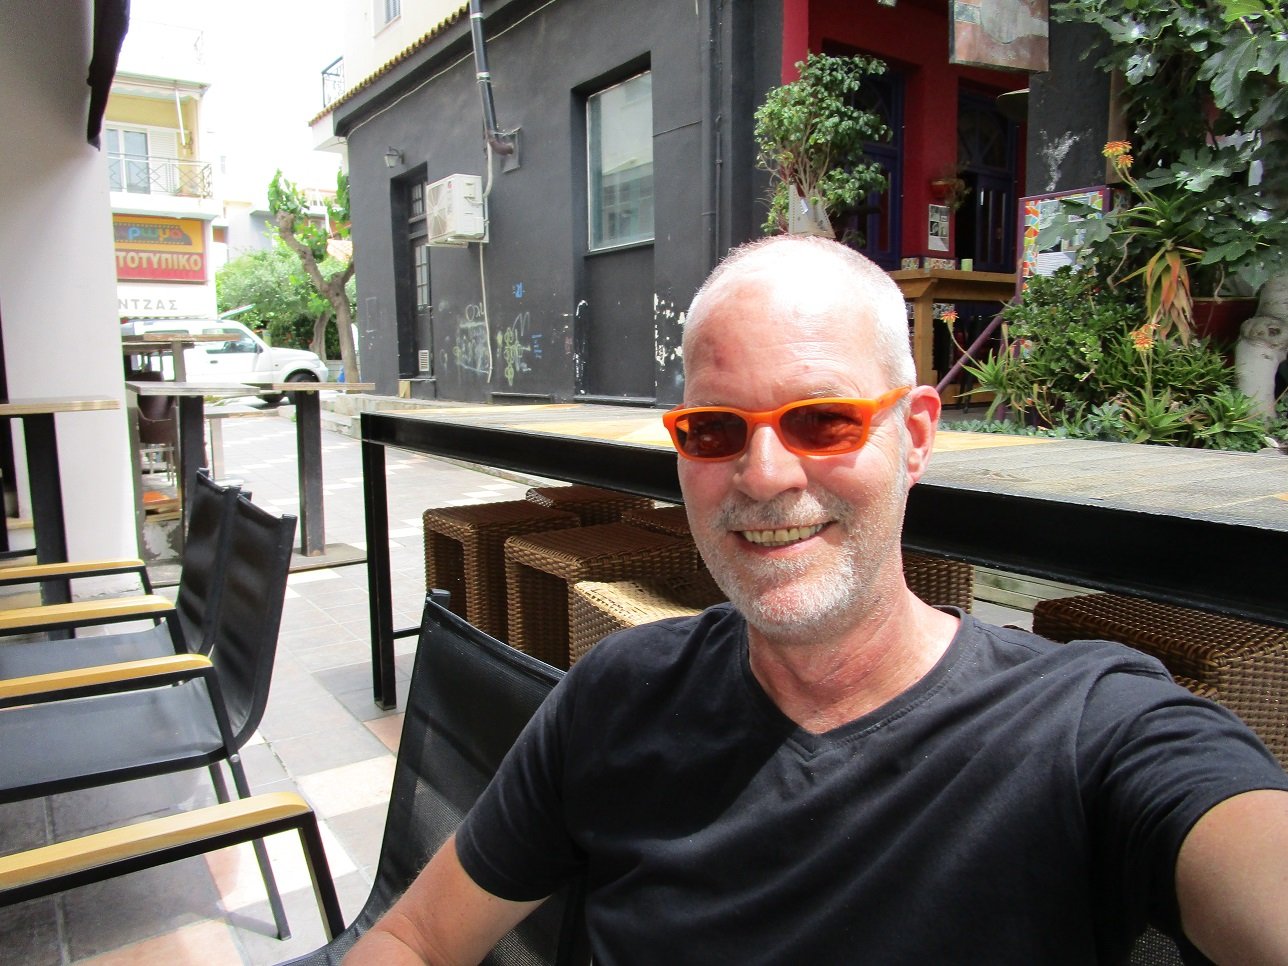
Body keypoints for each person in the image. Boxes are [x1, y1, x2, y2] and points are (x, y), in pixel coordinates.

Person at [348, 236, 1288, 964]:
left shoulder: (1091, 731)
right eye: (714, 429)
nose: (763, 475)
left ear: (916, 436)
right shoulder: (617, 694)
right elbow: (414, 938)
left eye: (824, 420)